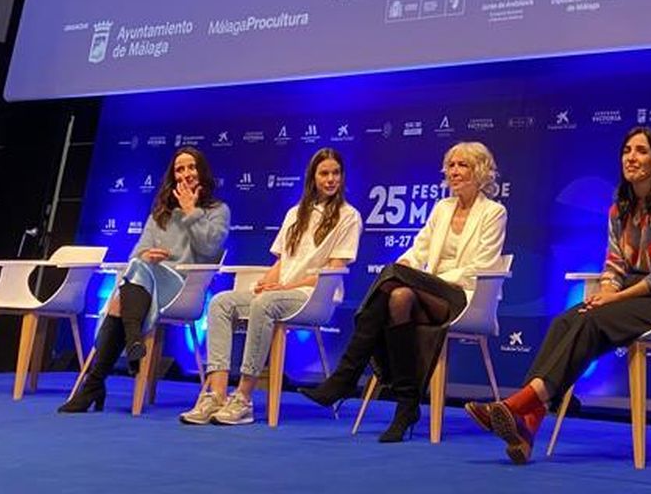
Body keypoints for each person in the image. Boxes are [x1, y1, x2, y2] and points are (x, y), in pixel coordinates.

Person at [464, 126, 651, 464]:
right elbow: (615, 264)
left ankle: (519, 404)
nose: (631, 157)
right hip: (629, 294)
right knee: (567, 319)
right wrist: (603, 291)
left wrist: (613, 299)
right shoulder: (619, 208)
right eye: (627, 150)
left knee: (592, 321)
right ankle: (527, 422)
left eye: (641, 151)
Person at [301, 140, 507, 441]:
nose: (454, 171)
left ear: (480, 171)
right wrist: (406, 270)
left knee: (397, 278)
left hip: (466, 297)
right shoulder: (443, 208)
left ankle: (345, 378)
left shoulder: (494, 212)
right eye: (450, 165)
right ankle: (407, 406)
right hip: (430, 295)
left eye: (462, 165)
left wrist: (419, 277)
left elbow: (480, 266)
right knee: (398, 295)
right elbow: (418, 249)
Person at [180, 146, 362, 426]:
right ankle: (216, 394)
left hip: (315, 297)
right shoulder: (295, 214)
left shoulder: (349, 216)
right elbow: (281, 261)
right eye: (324, 173)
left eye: (336, 173)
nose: (330, 179)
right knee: (221, 303)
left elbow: (333, 271)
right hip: (284, 293)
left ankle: (243, 398)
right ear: (313, 177)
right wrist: (267, 282)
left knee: (265, 304)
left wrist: (283, 288)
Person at [59, 147, 229, 413]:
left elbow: (209, 248)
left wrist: (191, 211)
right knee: (136, 268)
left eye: (191, 167)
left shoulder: (217, 210)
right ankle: (129, 344)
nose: (186, 174)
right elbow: (136, 253)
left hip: (184, 286)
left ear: (201, 171)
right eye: (179, 169)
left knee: (123, 296)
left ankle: (98, 380)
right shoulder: (160, 213)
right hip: (148, 281)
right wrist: (147, 254)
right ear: (173, 176)